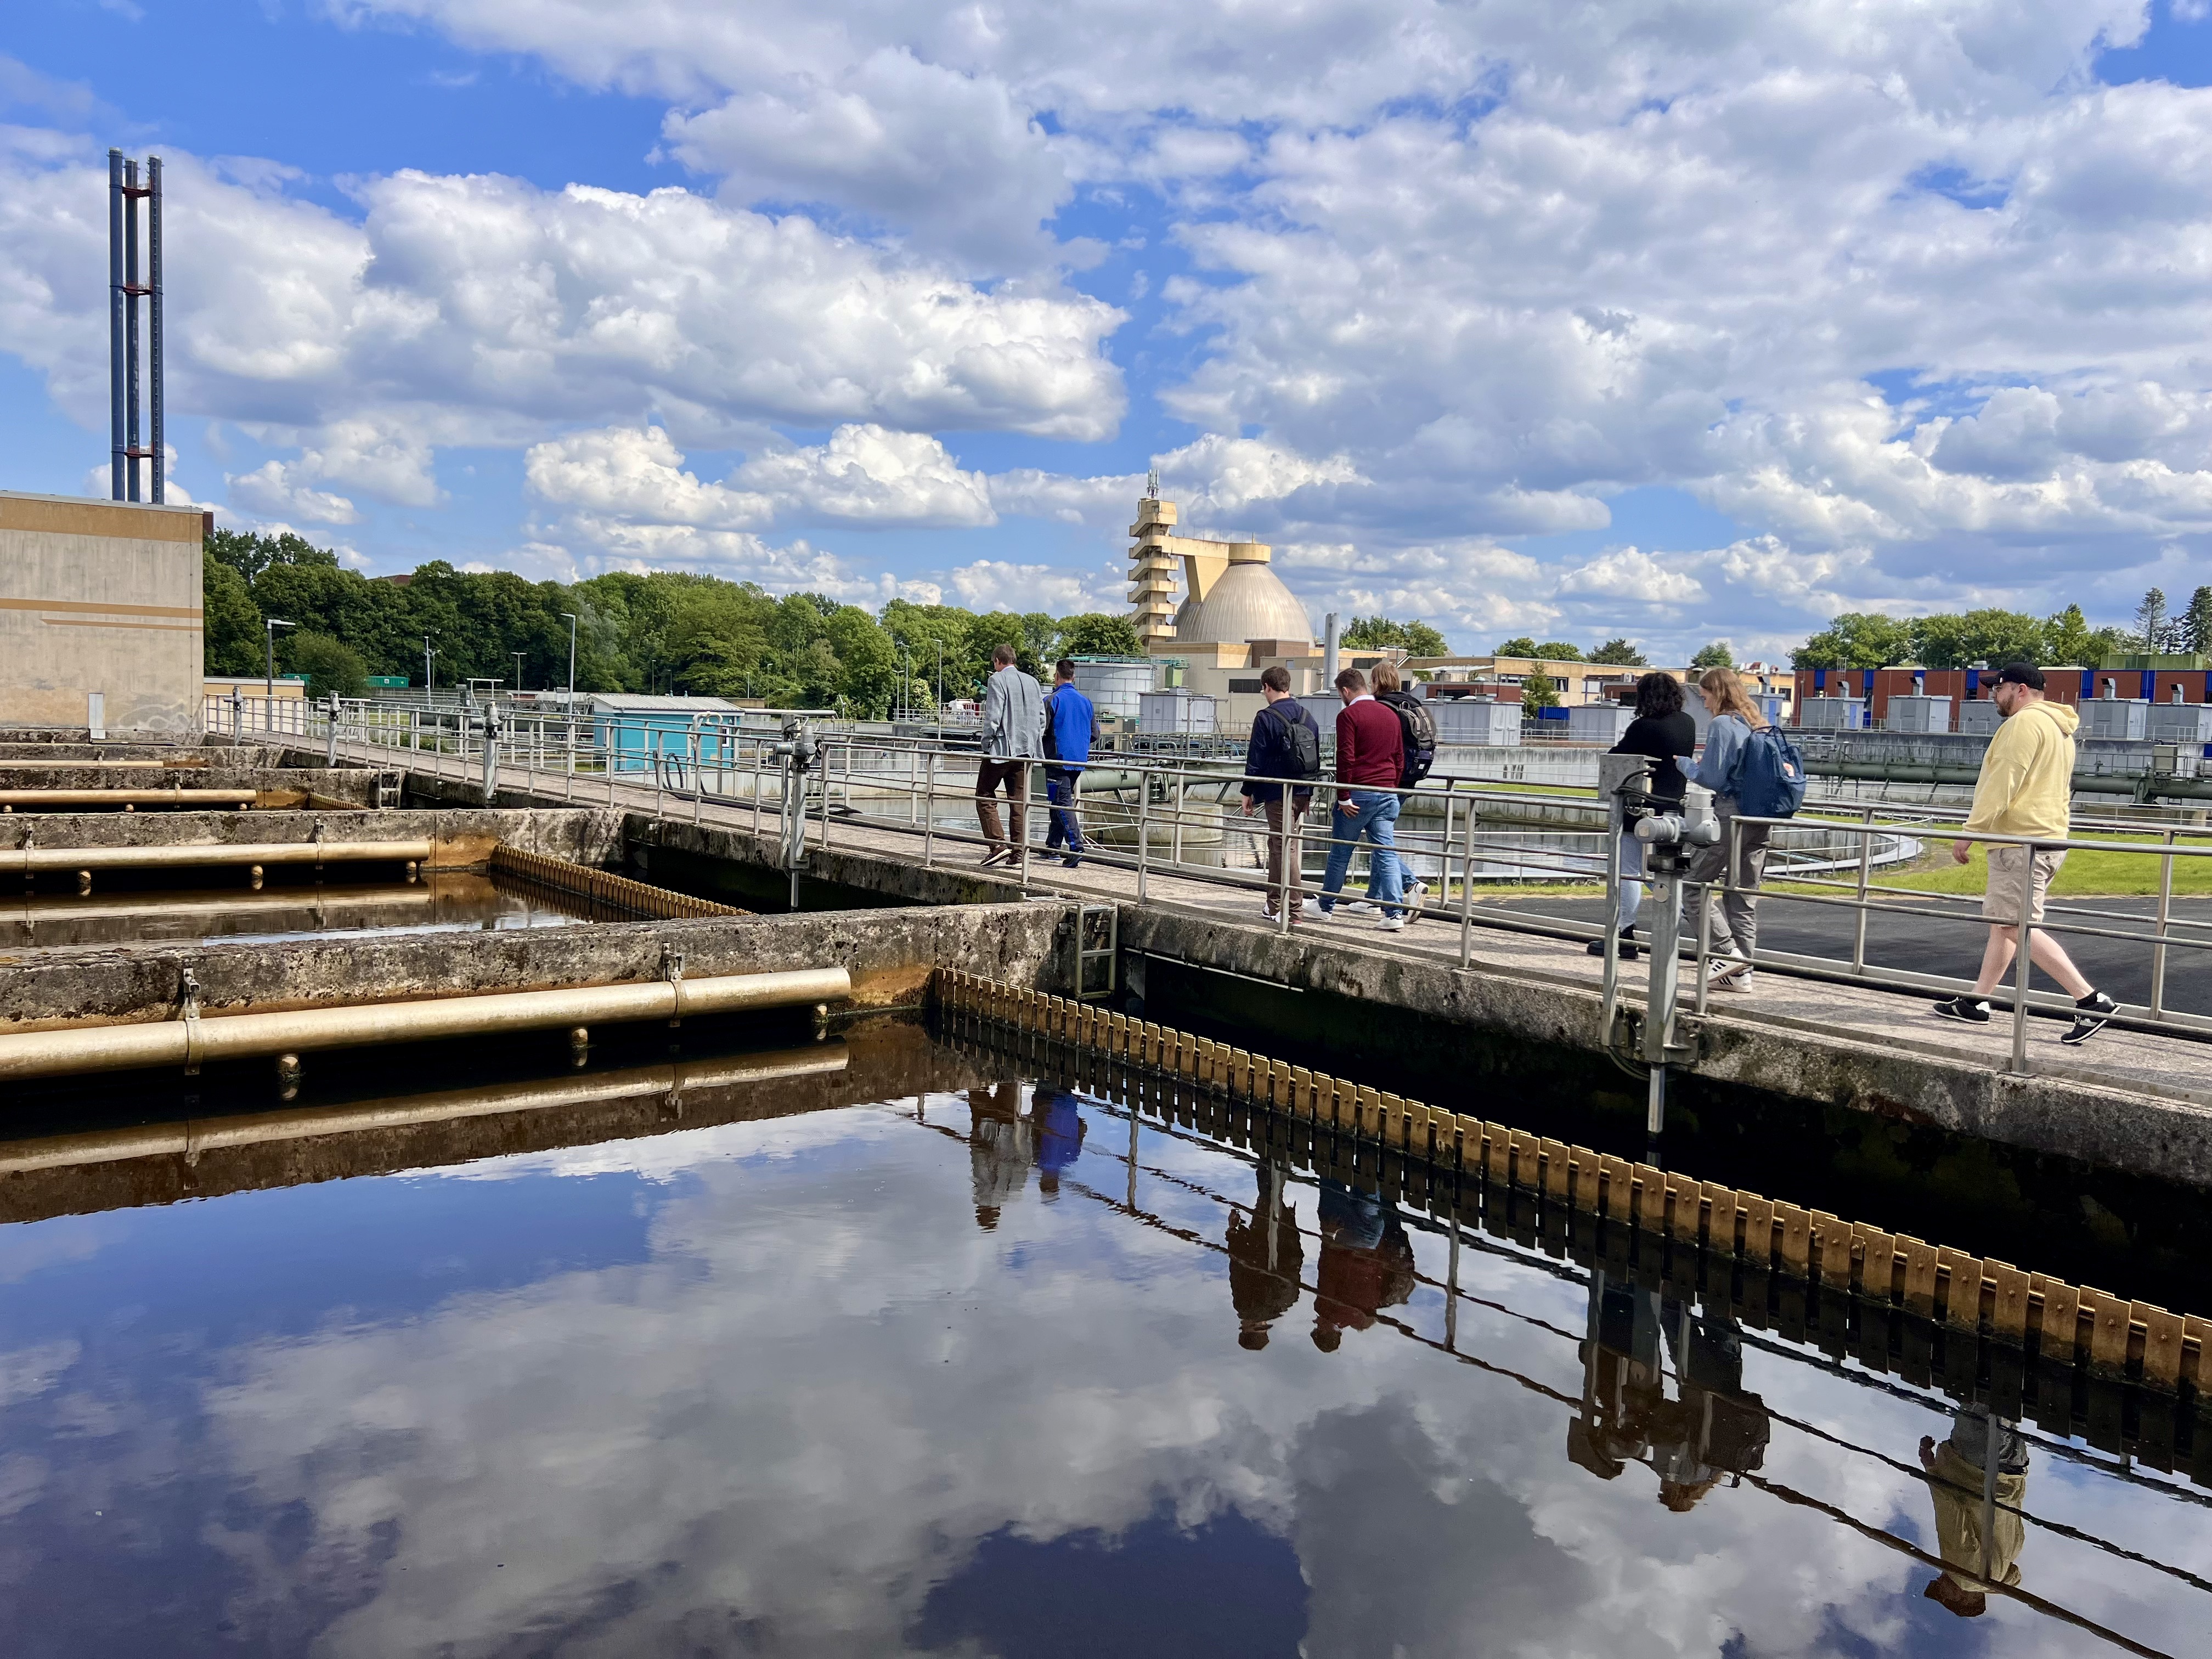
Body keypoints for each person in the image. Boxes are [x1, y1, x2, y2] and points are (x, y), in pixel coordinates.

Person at [1931, 663, 2117, 1044]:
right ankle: (1978, 1002)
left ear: (2019, 690)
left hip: (2020, 842)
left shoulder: (2021, 725)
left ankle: (2090, 1000)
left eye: (1996, 689)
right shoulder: (2058, 727)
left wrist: (1971, 831)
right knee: (2005, 923)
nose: (1991, 696)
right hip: (2045, 837)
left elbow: (2003, 781)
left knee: (2017, 925)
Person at [1589, 673, 1696, 961]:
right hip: (1674, 808)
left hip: (1640, 811)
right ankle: (1706, 931)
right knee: (1667, 873)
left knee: (1630, 872)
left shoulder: (1643, 727)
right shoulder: (1688, 723)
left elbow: (1617, 756)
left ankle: (1624, 935)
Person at [1683, 668, 1772, 992]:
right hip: (1760, 818)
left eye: (1705, 696)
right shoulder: (1759, 723)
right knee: (1742, 897)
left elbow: (1713, 778)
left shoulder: (1725, 724)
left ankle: (1727, 955)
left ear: (1717, 693)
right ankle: (1741, 976)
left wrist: (1685, 765)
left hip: (1730, 815)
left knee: (1692, 888)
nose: (1704, 703)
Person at [1316, 668, 1409, 929]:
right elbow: (1399, 756)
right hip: (1387, 791)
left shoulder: (1349, 715)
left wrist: (1343, 795)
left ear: (1345, 691)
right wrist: (1393, 785)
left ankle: (1325, 907)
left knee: (1340, 853)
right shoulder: (1390, 714)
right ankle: (1394, 914)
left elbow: (1346, 757)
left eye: (1340, 693)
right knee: (1386, 853)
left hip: (1358, 793)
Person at [1918, 1409, 2030, 1617]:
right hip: (1977, 1465)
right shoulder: (1964, 1576)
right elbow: (1951, 1514)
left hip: (2014, 1469)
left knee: (2011, 1397)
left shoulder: (2004, 1568)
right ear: (1963, 1598)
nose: (1937, 1581)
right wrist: (1931, 1469)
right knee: (1981, 1389)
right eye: (1941, 1593)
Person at [1240, 664, 1323, 923]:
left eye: (1263, 688)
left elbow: (1256, 759)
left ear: (1267, 686)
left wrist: (1247, 792)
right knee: (1279, 845)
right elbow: (1315, 758)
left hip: (1278, 792)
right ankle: (1274, 904)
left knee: (1284, 848)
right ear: (1287, 685)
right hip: (1301, 791)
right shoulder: (1308, 716)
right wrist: (1307, 793)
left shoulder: (1265, 717)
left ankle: (1294, 911)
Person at [1310, 1181, 1414, 1350]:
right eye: (1317, 1327)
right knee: (1331, 1186)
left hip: (1373, 1240)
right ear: (1325, 1331)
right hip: (1351, 1240)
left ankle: (1376, 1161)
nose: (1316, 1321)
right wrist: (1328, 1235)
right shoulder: (1325, 1309)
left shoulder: (1361, 1315)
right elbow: (1327, 1272)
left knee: (1370, 1190)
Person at [1369, 663, 1433, 917]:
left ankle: (1411, 884)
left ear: (1376, 682)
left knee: (1379, 838)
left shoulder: (1383, 708)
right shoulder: (1412, 704)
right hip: (1409, 779)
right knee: (1381, 834)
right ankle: (1374, 897)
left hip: (1387, 781)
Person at [1225, 1160, 1304, 1350]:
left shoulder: (1287, 1303)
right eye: (1242, 1327)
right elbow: (1237, 1268)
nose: (1241, 1323)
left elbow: (1296, 1267)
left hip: (1287, 1238)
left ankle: (1280, 1161)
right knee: (1267, 1193)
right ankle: (1271, 1156)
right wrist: (1233, 1232)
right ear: (1248, 1328)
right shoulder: (1245, 1307)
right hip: (1263, 1240)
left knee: (1274, 1195)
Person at [976, 644, 1043, 867]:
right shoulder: (1033, 682)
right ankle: (1018, 854)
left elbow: (993, 716)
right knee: (1018, 802)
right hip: (1026, 751)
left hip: (1002, 749)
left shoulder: (997, 680)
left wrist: (987, 742)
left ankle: (997, 845)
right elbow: (1042, 718)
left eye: (994, 663)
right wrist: (1032, 739)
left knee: (984, 795)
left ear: (997, 661)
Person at [1042, 659, 1099, 869]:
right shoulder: (1087, 702)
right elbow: (1095, 734)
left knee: (1061, 802)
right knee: (1059, 800)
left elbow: (1043, 730)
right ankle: (1053, 846)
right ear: (1073, 677)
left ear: (1057, 677)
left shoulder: (1052, 700)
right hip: (1078, 760)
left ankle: (1076, 847)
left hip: (1058, 759)